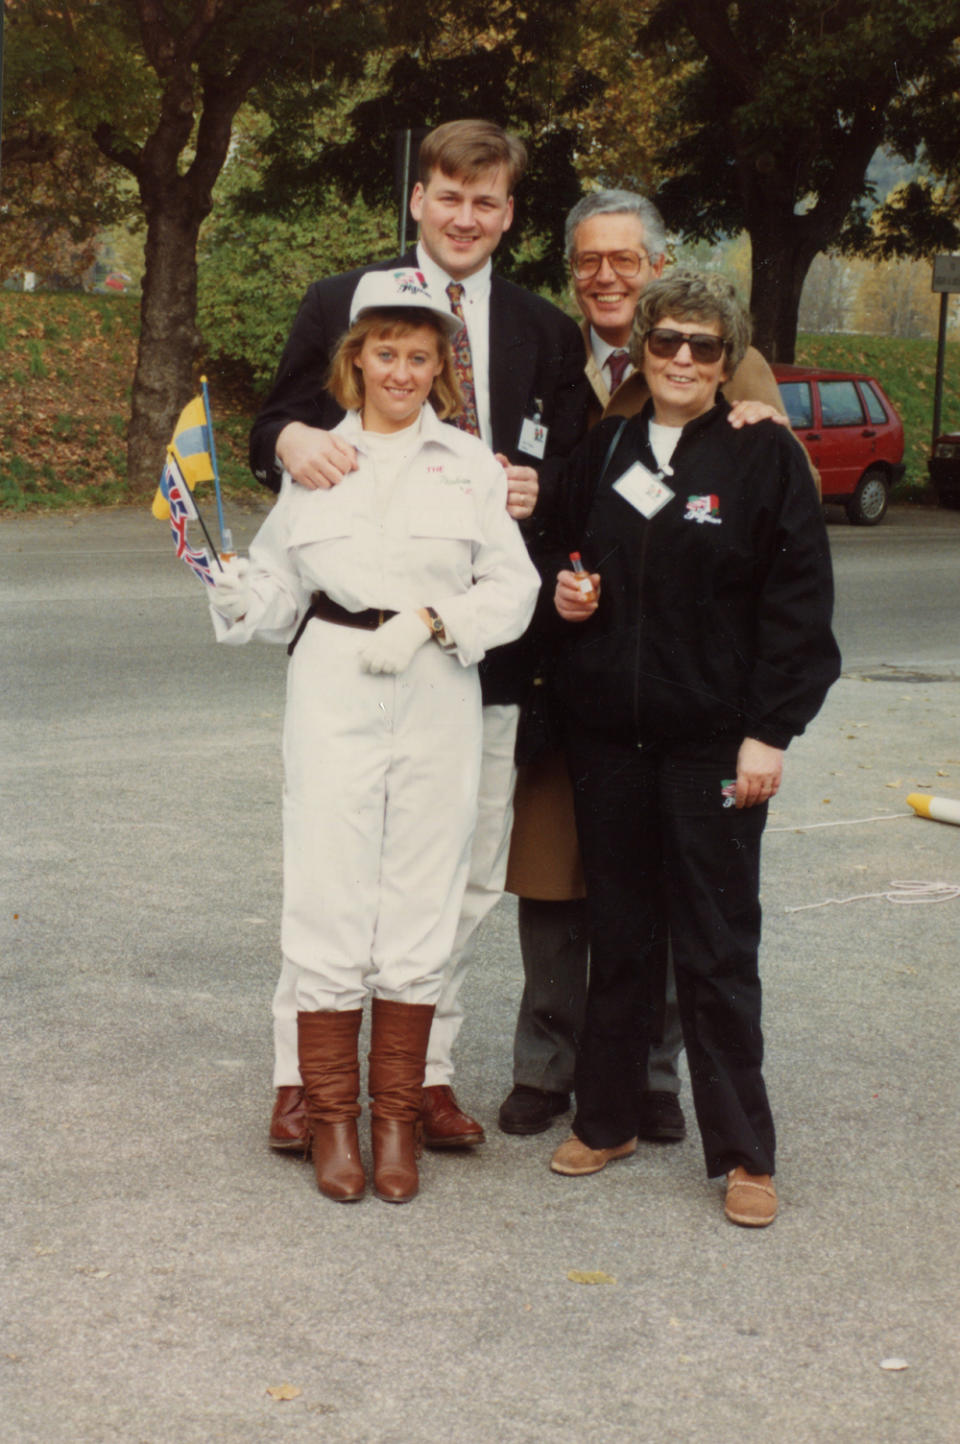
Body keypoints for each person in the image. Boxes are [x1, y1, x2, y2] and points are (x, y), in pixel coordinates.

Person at [250, 120, 590, 1155]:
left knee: (458, 867)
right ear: (419, 199)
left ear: (509, 216)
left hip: (477, 631)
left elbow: (573, 456)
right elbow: (276, 424)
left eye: (487, 202)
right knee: (334, 864)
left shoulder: (541, 328)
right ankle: (301, 1082)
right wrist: (293, 437)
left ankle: (424, 1075)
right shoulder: (345, 305)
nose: (466, 217)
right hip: (358, 641)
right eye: (451, 195)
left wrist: (546, 484)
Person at [209, 269, 539, 1203]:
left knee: (423, 892)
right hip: (334, 681)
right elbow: (279, 590)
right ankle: (331, 1122)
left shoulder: (470, 464)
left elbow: (510, 591)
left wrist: (436, 620)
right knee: (328, 889)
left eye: (419, 355)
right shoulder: (318, 462)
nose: (401, 370)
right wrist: (240, 590)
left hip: (434, 678)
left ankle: (396, 1117)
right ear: (355, 359)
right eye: (384, 352)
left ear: (441, 366)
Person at [539, 269, 840, 1226]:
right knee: (620, 939)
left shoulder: (764, 459)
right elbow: (559, 557)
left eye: (701, 346)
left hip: (715, 744)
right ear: (644, 352)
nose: (678, 359)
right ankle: (610, 1118)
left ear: (726, 360)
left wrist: (768, 734)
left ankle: (746, 1155)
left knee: (715, 950)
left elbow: (799, 611)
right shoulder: (605, 447)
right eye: (665, 341)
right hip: (609, 742)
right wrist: (568, 594)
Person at [499, 189, 801, 1141]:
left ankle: (652, 1078)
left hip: (683, 691)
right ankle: (551, 1068)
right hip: (571, 674)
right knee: (556, 878)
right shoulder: (550, 351)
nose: (607, 277)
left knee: (669, 891)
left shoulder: (720, 353)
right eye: (589, 260)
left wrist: (767, 723)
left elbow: (777, 534)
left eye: (625, 259)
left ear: (659, 266)